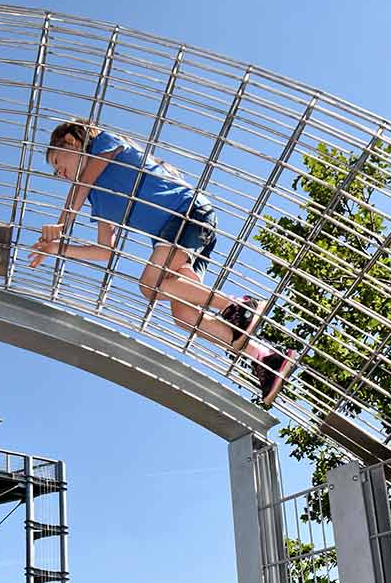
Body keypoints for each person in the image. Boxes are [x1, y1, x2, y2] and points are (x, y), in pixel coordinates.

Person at [29, 119, 296, 407]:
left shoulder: (105, 144)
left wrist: (61, 223)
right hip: (176, 236)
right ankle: (266, 358)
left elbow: (82, 182)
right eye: (56, 171)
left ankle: (239, 306)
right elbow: (105, 250)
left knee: (150, 284)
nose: (58, 172)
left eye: (57, 161)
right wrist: (58, 248)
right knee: (182, 313)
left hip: (187, 214)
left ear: (73, 141)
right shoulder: (97, 197)